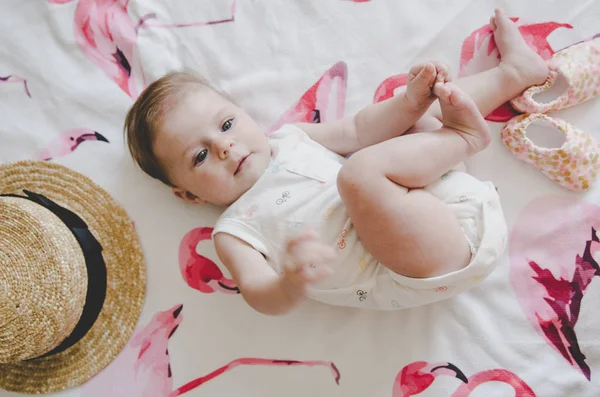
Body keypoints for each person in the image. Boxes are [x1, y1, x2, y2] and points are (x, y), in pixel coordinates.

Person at [125, 9, 549, 315]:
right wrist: (288, 282)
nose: (224, 147)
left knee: (412, 120)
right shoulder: (234, 230)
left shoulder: (290, 139)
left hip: (438, 202)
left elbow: (360, 131)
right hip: (422, 262)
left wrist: (409, 100)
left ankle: (514, 73)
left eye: (227, 124)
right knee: (359, 174)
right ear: (189, 195)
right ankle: (465, 137)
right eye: (199, 156)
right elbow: (258, 294)